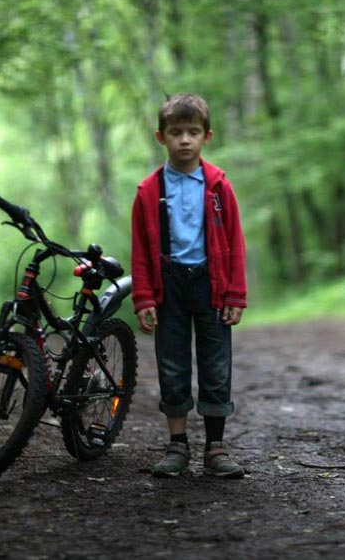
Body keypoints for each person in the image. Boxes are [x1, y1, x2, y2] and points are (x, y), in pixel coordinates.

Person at [130, 93, 247, 478]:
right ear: (160, 137)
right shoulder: (148, 191)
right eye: (176, 132)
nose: (184, 140)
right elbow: (141, 250)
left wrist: (235, 293)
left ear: (206, 136)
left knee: (216, 365)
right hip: (169, 287)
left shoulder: (218, 186)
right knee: (172, 365)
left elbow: (234, 241)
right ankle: (177, 445)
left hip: (211, 285)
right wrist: (144, 297)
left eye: (193, 132)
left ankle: (215, 448)